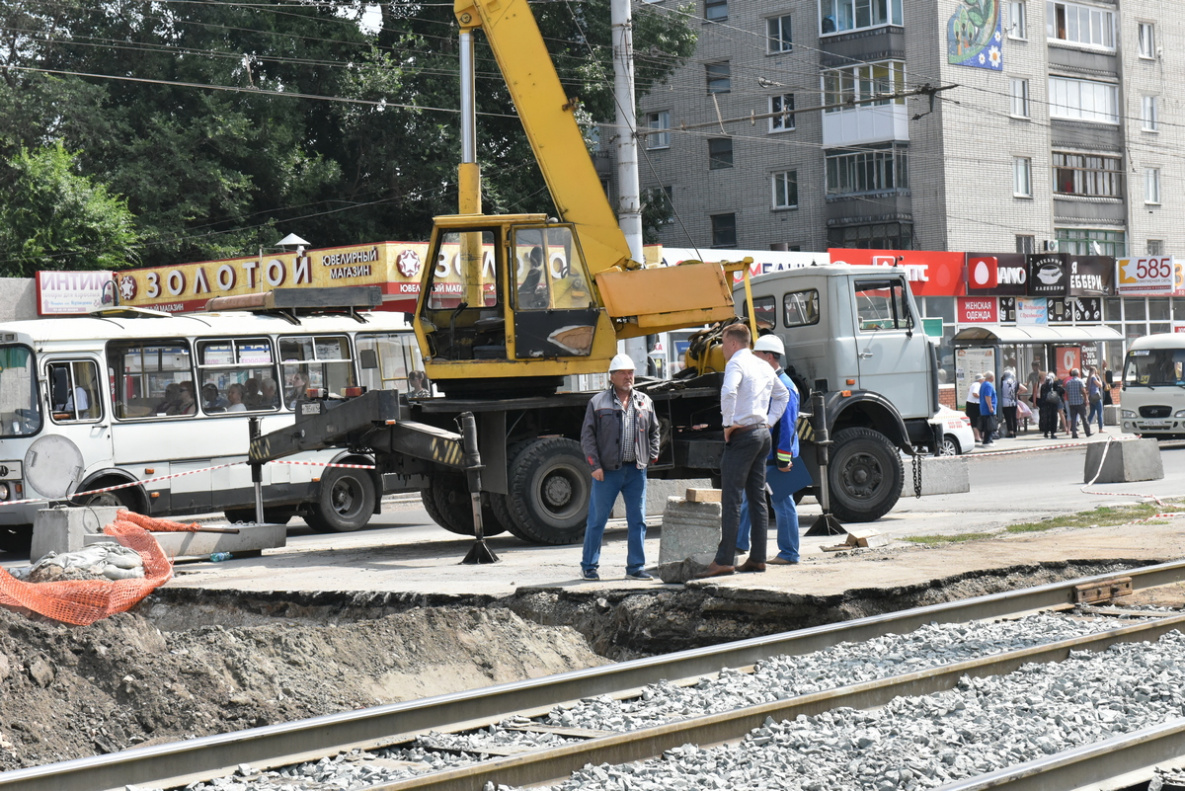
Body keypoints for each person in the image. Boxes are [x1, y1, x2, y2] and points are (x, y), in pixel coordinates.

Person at [700, 323, 789, 578]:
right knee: (758, 498)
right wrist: (769, 421)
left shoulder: (736, 364)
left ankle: (725, 560)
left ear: (732, 343)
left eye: (723, 343)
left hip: (743, 435)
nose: (722, 349)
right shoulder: (762, 364)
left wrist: (728, 424)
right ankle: (758, 558)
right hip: (762, 434)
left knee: (732, 498)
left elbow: (728, 392)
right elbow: (782, 396)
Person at [579, 353, 661, 582]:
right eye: (623, 373)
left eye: (631, 372)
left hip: (636, 471)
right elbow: (588, 437)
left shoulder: (645, 401)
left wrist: (652, 456)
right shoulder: (598, 402)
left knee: (638, 519)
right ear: (612, 376)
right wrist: (594, 465)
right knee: (597, 520)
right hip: (607, 472)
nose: (628, 377)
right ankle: (589, 566)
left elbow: (655, 431)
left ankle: (635, 567)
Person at [734, 334, 802, 565]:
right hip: (764, 454)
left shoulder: (785, 387)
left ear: (770, 357)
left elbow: (787, 427)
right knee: (747, 499)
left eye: (758, 355)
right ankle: (739, 543)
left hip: (777, 458)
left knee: (782, 504)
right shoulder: (770, 382)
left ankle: (789, 553)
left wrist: (783, 461)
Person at [1064, 367, 1091, 438]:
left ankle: (1074, 434)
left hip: (1072, 403)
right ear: (1078, 374)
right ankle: (1088, 432)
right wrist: (1086, 399)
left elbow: (1066, 392)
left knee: (1073, 418)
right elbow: (1083, 391)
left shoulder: (1068, 383)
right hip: (1079, 402)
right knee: (1084, 418)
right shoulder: (1080, 381)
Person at [1038, 373, 1064, 439]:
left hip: (1045, 404)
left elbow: (1041, 395)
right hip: (1053, 404)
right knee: (1053, 418)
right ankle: (1052, 433)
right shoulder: (1055, 384)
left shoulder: (1043, 386)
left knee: (1046, 418)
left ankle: (1046, 432)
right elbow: (1061, 391)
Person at [979, 371, 998, 445]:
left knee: (987, 425)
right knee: (989, 425)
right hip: (988, 409)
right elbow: (988, 396)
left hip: (983, 408)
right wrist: (990, 407)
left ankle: (988, 440)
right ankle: (987, 440)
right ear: (991, 377)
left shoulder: (983, 384)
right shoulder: (988, 385)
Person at [999, 370, 1018, 438]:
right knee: (1014, 417)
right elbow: (1021, 389)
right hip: (1014, 402)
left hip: (1005, 402)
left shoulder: (1002, 383)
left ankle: (1010, 432)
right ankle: (1015, 431)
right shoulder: (1015, 382)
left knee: (1008, 418)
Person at [1086, 365, 1104, 432]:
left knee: (1092, 413)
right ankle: (1100, 429)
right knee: (1099, 413)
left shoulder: (1088, 378)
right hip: (1096, 396)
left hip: (1091, 397)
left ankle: (1087, 426)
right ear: (1094, 371)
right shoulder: (1093, 377)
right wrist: (1099, 378)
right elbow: (1100, 385)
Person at [966, 373, 983, 442]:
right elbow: (974, 393)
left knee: (974, 421)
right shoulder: (977, 385)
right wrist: (982, 397)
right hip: (974, 404)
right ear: (980, 379)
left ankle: (977, 436)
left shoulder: (973, 384)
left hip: (971, 403)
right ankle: (977, 437)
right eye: (982, 378)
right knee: (976, 421)